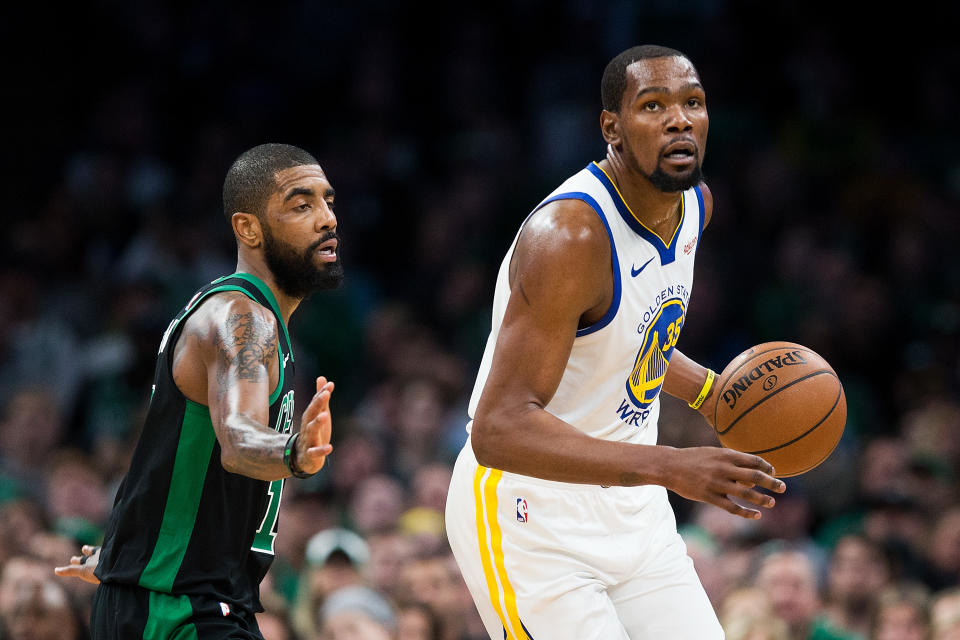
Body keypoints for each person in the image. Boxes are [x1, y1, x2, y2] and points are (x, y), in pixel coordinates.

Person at [444, 44, 786, 640]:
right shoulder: (569, 237)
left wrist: (708, 390)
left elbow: (632, 333)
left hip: (634, 513)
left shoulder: (694, 208)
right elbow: (498, 428)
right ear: (613, 129)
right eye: (653, 105)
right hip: (532, 516)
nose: (679, 119)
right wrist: (671, 467)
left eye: (692, 102)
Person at [54, 143, 343, 639]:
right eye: (302, 205)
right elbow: (237, 437)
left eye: (328, 201)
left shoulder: (248, 316)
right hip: (183, 611)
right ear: (248, 228)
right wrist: (294, 451)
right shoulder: (241, 318)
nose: (327, 219)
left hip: (178, 598)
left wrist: (133, 555)